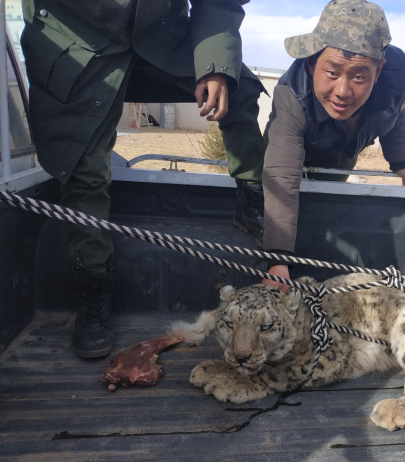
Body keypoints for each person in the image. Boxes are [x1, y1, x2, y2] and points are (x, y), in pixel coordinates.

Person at [20, 0, 266, 358]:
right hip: (74, 40)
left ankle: (253, 203)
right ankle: (94, 291)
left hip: (159, 34)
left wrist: (216, 65)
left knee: (237, 84)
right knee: (83, 168)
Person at [259, 0, 405, 292]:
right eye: (332, 73)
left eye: (360, 76)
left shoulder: (397, 78)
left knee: (321, 211)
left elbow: (394, 115)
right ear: (312, 63)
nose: (343, 91)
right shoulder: (292, 94)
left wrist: (400, 162)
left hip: (340, 156)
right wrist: (277, 260)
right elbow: (282, 177)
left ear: (379, 70)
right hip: (288, 156)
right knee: (277, 206)